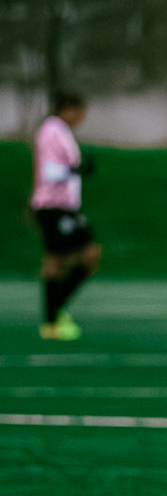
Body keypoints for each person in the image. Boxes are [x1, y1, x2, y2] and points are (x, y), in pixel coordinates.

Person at [30, 91, 101, 342]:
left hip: (65, 206)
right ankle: (52, 317)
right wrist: (77, 169)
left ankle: (54, 313)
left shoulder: (61, 132)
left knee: (79, 256)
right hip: (54, 205)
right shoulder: (52, 130)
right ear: (68, 109)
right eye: (80, 111)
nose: (82, 117)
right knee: (62, 259)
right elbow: (49, 171)